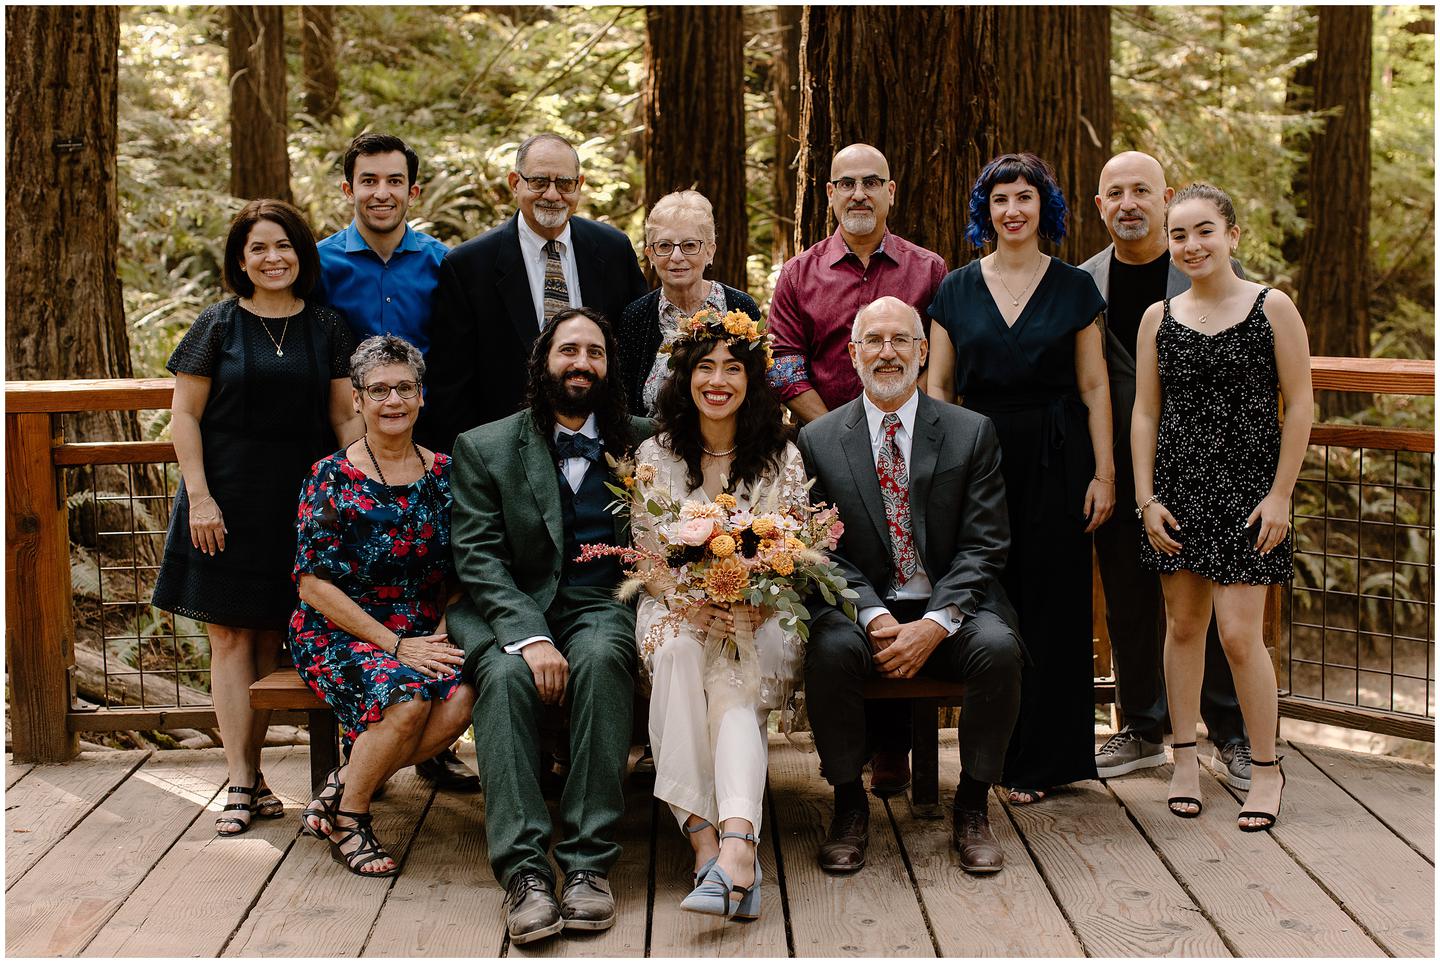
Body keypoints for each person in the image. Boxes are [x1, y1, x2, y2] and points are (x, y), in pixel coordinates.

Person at [151, 199, 361, 836]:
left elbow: (344, 417)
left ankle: (264, 779)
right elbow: (183, 415)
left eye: (284, 246)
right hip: (223, 500)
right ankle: (242, 781)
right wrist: (201, 496)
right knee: (231, 639)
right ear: (240, 261)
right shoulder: (217, 324)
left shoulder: (328, 327)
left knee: (270, 638)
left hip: (301, 504)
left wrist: (360, 491)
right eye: (258, 249)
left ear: (302, 253)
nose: (273, 259)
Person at [799, 296, 1023, 876]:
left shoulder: (971, 433)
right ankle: (848, 805)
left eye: (901, 340)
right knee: (827, 650)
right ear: (853, 354)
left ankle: (973, 805)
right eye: (873, 340)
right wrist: (874, 616)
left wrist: (935, 622)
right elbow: (822, 551)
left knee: (999, 649)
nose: (887, 352)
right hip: (863, 606)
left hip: (953, 604)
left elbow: (985, 545)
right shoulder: (818, 441)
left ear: (923, 352)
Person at [446, 308, 650, 945]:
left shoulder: (642, 442)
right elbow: (476, 555)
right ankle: (525, 872)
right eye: (569, 350)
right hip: (506, 604)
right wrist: (529, 635)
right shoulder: (484, 446)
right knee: (504, 677)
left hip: (600, 602)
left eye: (595, 352)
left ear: (609, 367)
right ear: (543, 362)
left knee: (602, 657)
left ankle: (589, 863)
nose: (581, 363)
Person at [926, 152, 1115, 805]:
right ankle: (994, 760)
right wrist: (941, 478)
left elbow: (1094, 385)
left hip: (1059, 460)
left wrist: (1106, 473)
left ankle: (1051, 759)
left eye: (1024, 198)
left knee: (1054, 607)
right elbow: (940, 388)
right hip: (977, 460)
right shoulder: (953, 289)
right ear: (988, 210)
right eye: (1000, 199)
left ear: (1044, 208)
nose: (1012, 210)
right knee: (990, 599)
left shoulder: (1073, 288)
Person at [767, 142, 947, 797]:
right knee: (838, 595)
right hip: (825, 455)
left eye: (874, 181)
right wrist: (833, 432)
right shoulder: (799, 274)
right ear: (831, 193)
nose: (861, 193)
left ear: (891, 191)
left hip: (911, 455)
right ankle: (848, 739)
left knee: (903, 581)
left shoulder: (929, 270)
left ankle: (893, 747)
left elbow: (942, 357)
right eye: (848, 183)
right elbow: (783, 363)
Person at [1132, 183, 1311, 830]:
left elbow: (1301, 404)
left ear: (1233, 235)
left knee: (1239, 636)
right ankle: (1184, 758)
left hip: (1250, 495)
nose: (1191, 244)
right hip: (1177, 492)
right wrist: (1146, 497)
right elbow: (1146, 411)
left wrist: (1280, 494)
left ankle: (1266, 767)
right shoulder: (1160, 317)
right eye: (1178, 235)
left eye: (1203, 230)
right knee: (1183, 628)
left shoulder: (1273, 307)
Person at [1080, 152, 1251, 788]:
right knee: (1126, 600)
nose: (1129, 203)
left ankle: (1229, 732)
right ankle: (1144, 729)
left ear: (1166, 197)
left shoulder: (1210, 273)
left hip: (1202, 469)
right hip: (1116, 469)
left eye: (1142, 192)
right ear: (1099, 206)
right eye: (1115, 193)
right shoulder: (1080, 283)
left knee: (1201, 607)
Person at [314, 131, 478, 793]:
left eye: (393, 181)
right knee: (363, 582)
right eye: (367, 180)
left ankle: (425, 746)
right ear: (349, 187)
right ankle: (370, 741)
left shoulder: (443, 263)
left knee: (430, 576)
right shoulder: (321, 263)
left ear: (414, 190)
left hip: (426, 446)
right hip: (349, 449)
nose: (380, 193)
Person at [633, 311, 802, 921]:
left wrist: (747, 599)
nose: (718, 380)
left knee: (735, 669)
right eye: (706, 366)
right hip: (675, 601)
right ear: (685, 375)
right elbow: (647, 551)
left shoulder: (781, 455)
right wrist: (690, 598)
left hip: (763, 610)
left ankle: (726, 848)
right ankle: (720, 845)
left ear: (752, 380)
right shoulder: (655, 452)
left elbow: (798, 547)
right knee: (678, 650)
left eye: (733, 368)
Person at [289, 336, 476, 877]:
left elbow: (468, 564)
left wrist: (442, 627)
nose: (392, 400)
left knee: (464, 695)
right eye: (379, 390)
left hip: (423, 627)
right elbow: (313, 585)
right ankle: (351, 817)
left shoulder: (446, 474)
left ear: (422, 397)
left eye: (404, 388)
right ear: (356, 399)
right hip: (339, 627)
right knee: (407, 701)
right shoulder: (330, 477)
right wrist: (395, 645)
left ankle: (343, 782)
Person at [422, 133, 648, 451]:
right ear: (515, 182)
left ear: (579, 185)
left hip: (604, 446)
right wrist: (476, 461)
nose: (552, 195)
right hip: (507, 452)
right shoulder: (469, 265)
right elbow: (449, 385)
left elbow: (636, 355)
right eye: (539, 182)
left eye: (565, 183)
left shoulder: (613, 250)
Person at [615, 190, 761, 414]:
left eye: (690, 245)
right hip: (652, 445)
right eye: (664, 246)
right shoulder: (636, 316)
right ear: (650, 255)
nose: (676, 257)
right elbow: (623, 405)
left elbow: (761, 392)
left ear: (710, 251)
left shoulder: (739, 306)